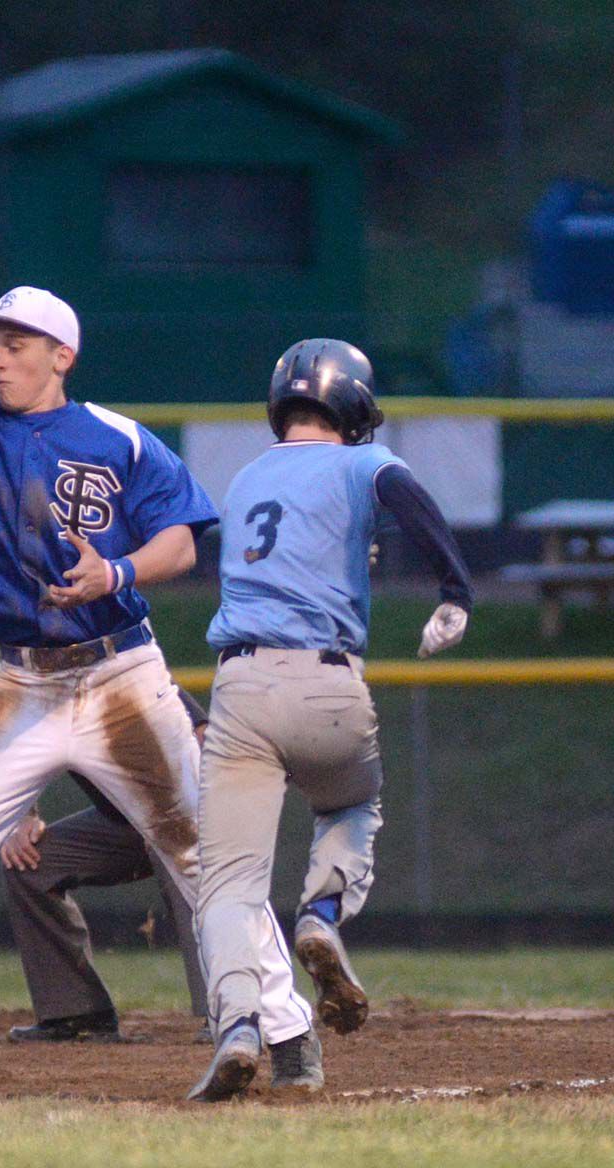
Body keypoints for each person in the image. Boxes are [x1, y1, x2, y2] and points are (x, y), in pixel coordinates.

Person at [0, 172, 318, 1084]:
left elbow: (179, 545)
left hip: (123, 673)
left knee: (201, 854)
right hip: (26, 683)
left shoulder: (119, 438)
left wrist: (114, 571)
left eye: (16, 343)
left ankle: (284, 1032)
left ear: (61, 355)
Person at [188, 338, 474, 1102]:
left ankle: (241, 1027)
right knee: (352, 802)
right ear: (352, 406)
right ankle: (320, 909)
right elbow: (410, 503)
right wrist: (456, 591)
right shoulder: (358, 463)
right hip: (326, 684)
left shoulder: (246, 475)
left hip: (240, 689)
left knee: (226, 886)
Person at [0, 687, 210, 1043]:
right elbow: (17, 753)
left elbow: (205, 739)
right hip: (122, 823)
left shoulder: (125, 672)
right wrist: (22, 817)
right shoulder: (40, 690)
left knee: (178, 853)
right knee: (30, 863)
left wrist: (174, 811)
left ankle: (229, 1010)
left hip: (186, 813)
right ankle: (77, 1012)